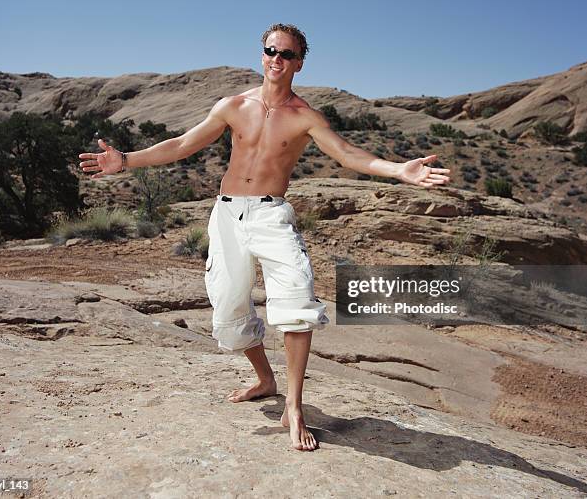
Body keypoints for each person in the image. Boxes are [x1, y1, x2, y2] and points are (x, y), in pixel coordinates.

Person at [78, 23, 451, 451]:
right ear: (262, 55)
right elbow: (183, 143)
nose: (277, 59)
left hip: (271, 215)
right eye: (271, 50)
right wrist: (125, 160)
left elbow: (348, 154)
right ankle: (264, 379)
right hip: (227, 214)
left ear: (299, 63)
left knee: (297, 300)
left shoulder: (305, 116)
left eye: (287, 54)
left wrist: (399, 169)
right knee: (229, 308)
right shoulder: (233, 106)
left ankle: (294, 406)